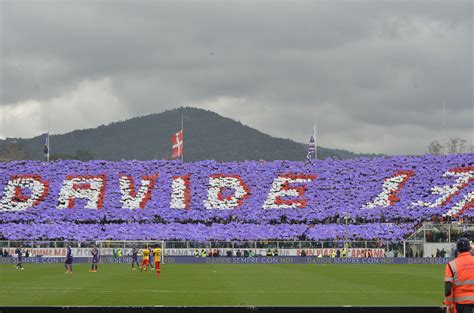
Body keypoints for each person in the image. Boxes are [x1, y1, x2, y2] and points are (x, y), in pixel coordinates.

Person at [444, 238, 474, 313]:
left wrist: (449, 304)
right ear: (470, 248)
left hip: (460, 305)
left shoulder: (451, 265)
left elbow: (448, 288)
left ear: (457, 249)